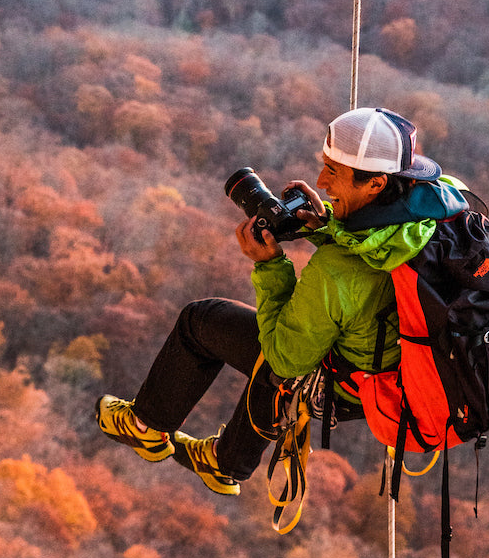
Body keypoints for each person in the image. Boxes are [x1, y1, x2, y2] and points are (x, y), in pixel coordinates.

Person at [96, 107, 469, 494]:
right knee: (292, 329)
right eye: (325, 166)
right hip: (415, 372)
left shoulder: (336, 273)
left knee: (204, 323)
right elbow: (376, 255)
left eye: (334, 172)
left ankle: (146, 429)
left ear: (376, 184)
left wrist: (271, 266)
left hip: (357, 388)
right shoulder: (445, 203)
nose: (322, 181)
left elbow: (285, 358)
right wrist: (327, 224)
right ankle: (225, 463)